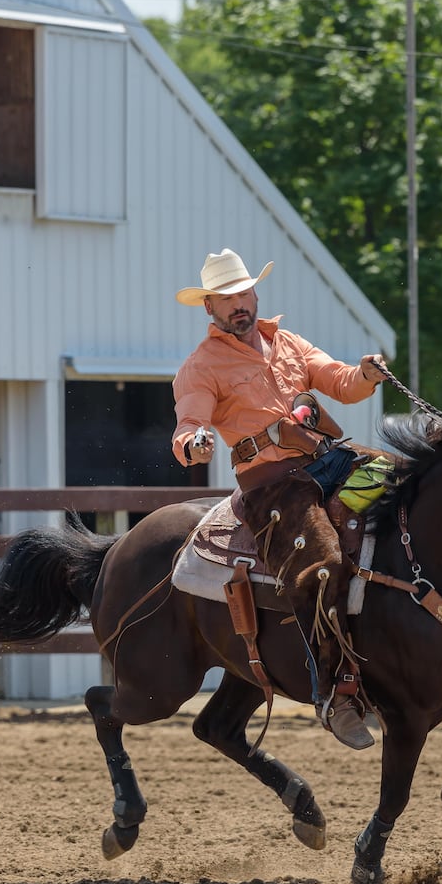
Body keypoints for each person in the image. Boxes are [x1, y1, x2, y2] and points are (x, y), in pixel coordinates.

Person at [172, 248, 387, 750]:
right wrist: (194, 443)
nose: (237, 304)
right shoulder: (201, 366)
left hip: (325, 462)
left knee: (400, 478)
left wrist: (367, 375)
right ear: (210, 308)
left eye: (243, 293)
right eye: (225, 299)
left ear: (255, 294)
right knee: (324, 563)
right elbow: (189, 424)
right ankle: (334, 693)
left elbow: (338, 380)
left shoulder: (286, 342)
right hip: (272, 484)